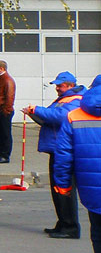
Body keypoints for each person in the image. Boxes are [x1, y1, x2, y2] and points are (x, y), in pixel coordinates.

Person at [51, 74, 101, 253]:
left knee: (98, 233)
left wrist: (63, 186)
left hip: (92, 189)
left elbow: (63, 156)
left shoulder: (74, 115)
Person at [23, 71, 85, 238]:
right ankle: (63, 223)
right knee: (57, 189)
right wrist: (33, 114)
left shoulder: (75, 100)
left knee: (64, 189)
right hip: (57, 149)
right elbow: (49, 118)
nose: (57, 88)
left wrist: (37, 109)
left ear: (71, 86)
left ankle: (70, 227)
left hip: (64, 151)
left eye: (60, 85)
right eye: (56, 85)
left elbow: (59, 117)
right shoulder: (64, 99)